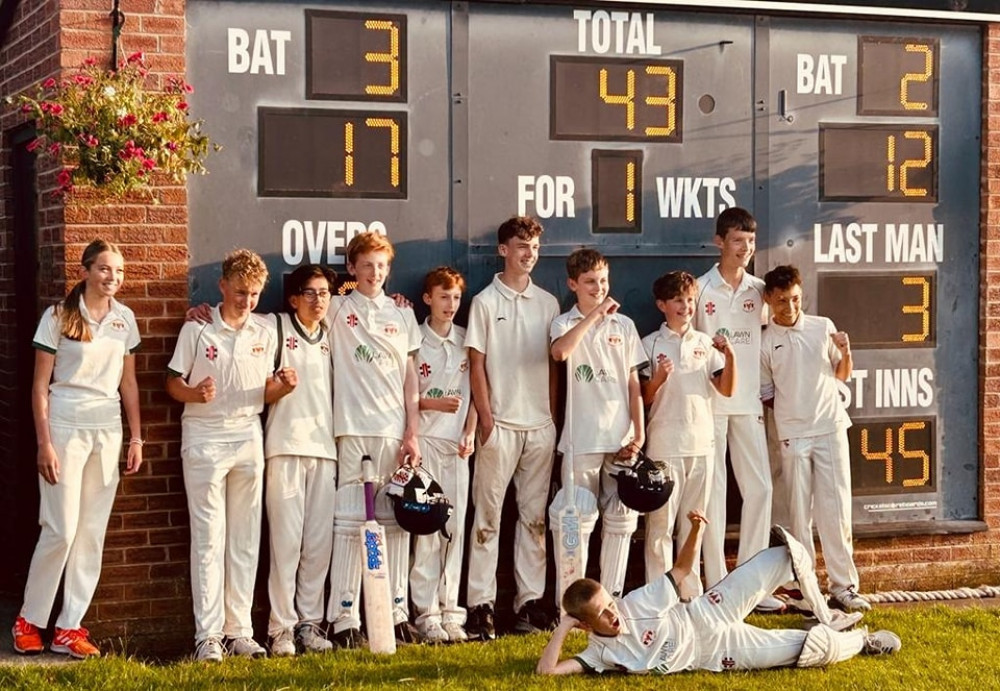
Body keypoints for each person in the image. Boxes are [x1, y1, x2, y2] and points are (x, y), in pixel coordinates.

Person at [535, 510, 900, 676]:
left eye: (610, 604)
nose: (614, 614)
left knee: (785, 553)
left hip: (708, 611)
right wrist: (564, 627)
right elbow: (546, 672)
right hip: (718, 651)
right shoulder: (600, 654)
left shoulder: (636, 603)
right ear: (585, 626)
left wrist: (694, 531)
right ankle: (863, 641)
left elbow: (679, 571)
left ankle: (824, 614)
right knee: (812, 650)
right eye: (602, 614)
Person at [11, 239, 142, 659]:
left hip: (107, 429)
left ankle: (70, 627)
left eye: (119, 272)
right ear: (85, 270)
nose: (113, 278)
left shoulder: (125, 319)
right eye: (105, 269)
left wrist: (135, 436)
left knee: (90, 535)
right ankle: (29, 620)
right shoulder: (58, 316)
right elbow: (39, 387)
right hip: (65, 426)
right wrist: (44, 442)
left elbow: (128, 384)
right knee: (61, 529)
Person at [166, 248, 294, 661]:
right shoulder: (198, 328)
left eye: (255, 293)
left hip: (247, 435)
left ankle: (240, 631)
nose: (247, 301)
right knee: (209, 539)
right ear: (222, 286)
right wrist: (193, 393)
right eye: (240, 292)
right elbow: (172, 384)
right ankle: (208, 635)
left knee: (244, 538)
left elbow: (264, 391)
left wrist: (283, 387)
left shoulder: (265, 330)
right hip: (204, 436)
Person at [465, 216, 561, 640]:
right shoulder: (485, 302)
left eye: (535, 247)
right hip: (499, 426)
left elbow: (554, 369)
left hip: (540, 426)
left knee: (534, 520)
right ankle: (480, 605)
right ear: (503, 250)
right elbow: (476, 364)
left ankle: (529, 602)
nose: (529, 254)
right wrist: (486, 420)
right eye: (522, 246)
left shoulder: (548, 303)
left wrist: (552, 418)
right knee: (487, 519)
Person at [325, 231, 422, 648]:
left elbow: (411, 379)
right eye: (367, 265)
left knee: (394, 521)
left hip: (392, 429)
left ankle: (395, 612)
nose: (375, 273)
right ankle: (343, 617)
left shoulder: (402, 314)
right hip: (350, 426)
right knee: (349, 521)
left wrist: (412, 432)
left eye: (382, 266)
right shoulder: (334, 307)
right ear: (351, 269)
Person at [760, 265, 870, 612]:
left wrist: (847, 351)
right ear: (769, 300)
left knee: (835, 509)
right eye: (781, 301)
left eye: (794, 299)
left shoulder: (823, 327)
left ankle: (844, 587)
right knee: (797, 514)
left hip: (831, 429)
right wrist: (794, 415)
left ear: (800, 294)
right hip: (793, 435)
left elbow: (842, 374)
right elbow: (767, 394)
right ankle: (807, 589)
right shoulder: (765, 341)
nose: (789, 308)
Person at [695, 207, 783, 611]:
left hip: (747, 403)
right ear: (719, 242)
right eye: (737, 241)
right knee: (712, 495)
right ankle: (716, 585)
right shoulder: (700, 290)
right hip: (710, 404)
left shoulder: (759, 291)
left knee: (760, 488)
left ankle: (750, 584)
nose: (746, 248)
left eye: (750, 241)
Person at [549, 248, 646, 598]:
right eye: (590, 282)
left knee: (621, 520)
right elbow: (560, 353)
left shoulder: (625, 325)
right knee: (574, 519)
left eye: (603, 281)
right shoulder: (564, 322)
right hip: (580, 440)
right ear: (573, 283)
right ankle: (574, 602)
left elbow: (633, 383)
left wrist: (639, 431)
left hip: (620, 439)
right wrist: (595, 316)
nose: (598, 288)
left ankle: (612, 599)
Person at [640, 271, 734, 597]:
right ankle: (658, 596)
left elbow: (726, 389)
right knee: (660, 528)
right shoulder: (648, 343)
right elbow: (644, 398)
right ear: (661, 304)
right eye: (679, 299)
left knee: (694, 526)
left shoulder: (706, 343)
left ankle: (690, 595)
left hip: (702, 445)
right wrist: (658, 379)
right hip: (664, 446)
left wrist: (731, 357)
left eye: (690, 299)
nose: (686, 306)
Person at [262, 264, 338, 656]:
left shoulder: (333, 331)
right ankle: (281, 628)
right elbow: (234, 324)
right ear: (293, 299)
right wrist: (199, 314)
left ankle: (309, 623)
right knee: (286, 545)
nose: (318, 299)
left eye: (324, 292)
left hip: (325, 450)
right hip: (285, 447)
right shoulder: (274, 326)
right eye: (310, 292)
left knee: (317, 545)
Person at [409, 267, 478, 644]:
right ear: (427, 299)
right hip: (425, 444)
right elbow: (404, 397)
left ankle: (451, 609)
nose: (450, 305)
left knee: (454, 529)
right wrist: (431, 404)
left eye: (455, 298)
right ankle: (426, 612)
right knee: (427, 532)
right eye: (443, 297)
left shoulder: (467, 341)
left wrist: (469, 433)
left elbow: (474, 394)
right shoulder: (415, 339)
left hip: (457, 447)